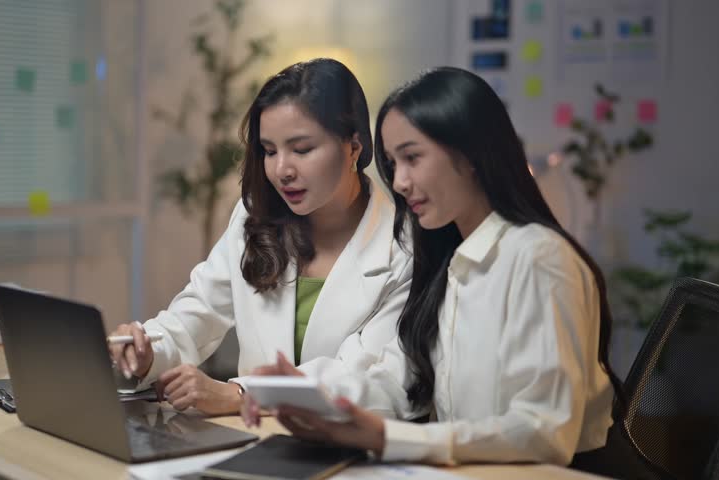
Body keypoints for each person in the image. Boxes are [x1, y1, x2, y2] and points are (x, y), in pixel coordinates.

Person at [243, 66, 625, 466]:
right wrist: (305, 394)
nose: (401, 182)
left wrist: (390, 437)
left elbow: (546, 431)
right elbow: (399, 379)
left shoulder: (538, 258)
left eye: (412, 158)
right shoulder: (449, 257)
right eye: (392, 163)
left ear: (471, 154)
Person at [108, 58, 413, 415]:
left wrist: (243, 394)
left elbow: (367, 379)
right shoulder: (255, 216)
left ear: (354, 147)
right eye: (269, 151)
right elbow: (198, 313)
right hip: (255, 441)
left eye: (301, 149)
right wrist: (147, 352)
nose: (281, 170)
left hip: (347, 450)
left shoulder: (402, 248)